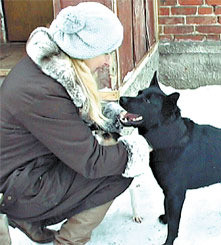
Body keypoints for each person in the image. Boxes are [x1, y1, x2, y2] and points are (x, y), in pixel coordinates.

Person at [0, 2, 150, 244]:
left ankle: (30, 221)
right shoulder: (42, 91)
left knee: (112, 155)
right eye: (105, 52)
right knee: (117, 170)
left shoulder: (46, 70)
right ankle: (68, 241)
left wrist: (112, 117)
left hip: (25, 167)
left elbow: (66, 115)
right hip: (17, 186)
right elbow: (91, 162)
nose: (105, 60)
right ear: (84, 51)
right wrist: (137, 151)